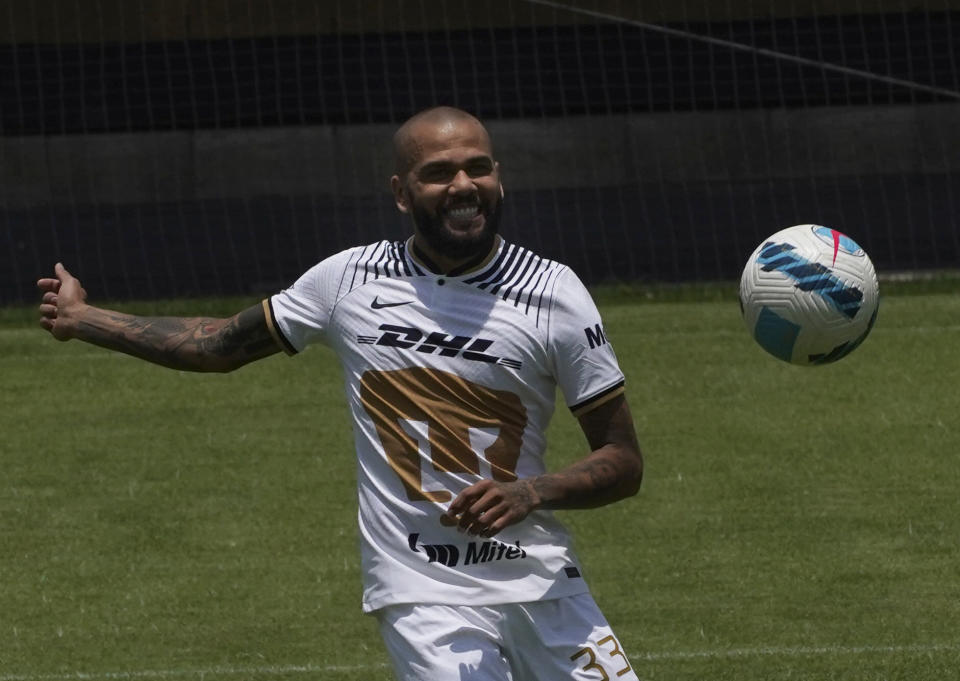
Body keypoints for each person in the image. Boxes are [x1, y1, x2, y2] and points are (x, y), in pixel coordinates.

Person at [38, 106, 644, 681]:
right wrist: (84, 319)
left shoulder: (554, 294)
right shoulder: (346, 281)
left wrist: (532, 490)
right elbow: (217, 345)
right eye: (438, 174)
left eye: (477, 167)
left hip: (541, 580)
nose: (463, 184)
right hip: (423, 591)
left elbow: (623, 463)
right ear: (402, 193)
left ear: (499, 179)